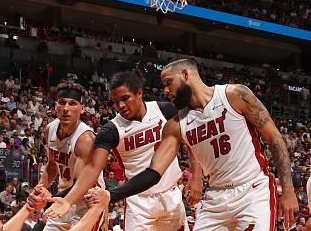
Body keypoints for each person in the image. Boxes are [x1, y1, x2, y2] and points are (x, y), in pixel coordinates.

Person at [72, 59, 298, 230]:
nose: (165, 91)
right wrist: (113, 194)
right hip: (216, 197)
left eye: (168, 83)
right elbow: (153, 172)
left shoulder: (234, 95)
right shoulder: (176, 125)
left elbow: (275, 139)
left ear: (186, 74)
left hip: (252, 190)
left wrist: (287, 190)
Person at [44, 70, 198, 231]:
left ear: (139, 93)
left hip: (171, 194)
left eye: (125, 98)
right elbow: (92, 168)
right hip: (138, 201)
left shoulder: (165, 110)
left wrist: (197, 176)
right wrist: (68, 201)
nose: (121, 106)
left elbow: (191, 141)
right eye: (116, 101)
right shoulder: (111, 130)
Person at [38, 82, 105, 231]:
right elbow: (51, 165)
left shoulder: (85, 139)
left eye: (72, 104)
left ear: (82, 109)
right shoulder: (50, 129)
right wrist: (40, 189)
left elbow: (79, 183)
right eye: (62, 103)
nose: (66, 109)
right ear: (55, 106)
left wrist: (52, 198)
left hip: (87, 201)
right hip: (64, 198)